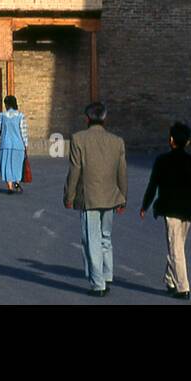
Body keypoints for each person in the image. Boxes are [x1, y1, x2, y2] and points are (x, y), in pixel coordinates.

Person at [63, 102, 127, 297]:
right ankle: (107, 275)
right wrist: (122, 197)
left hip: (89, 197)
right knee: (106, 237)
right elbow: (122, 172)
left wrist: (69, 195)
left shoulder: (79, 139)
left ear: (87, 118)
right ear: (104, 118)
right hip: (111, 195)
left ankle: (98, 283)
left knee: (91, 240)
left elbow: (75, 171)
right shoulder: (117, 141)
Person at [139, 121, 191, 300]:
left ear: (171, 140)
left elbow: (152, 185)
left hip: (171, 211)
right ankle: (170, 279)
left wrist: (145, 205)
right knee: (177, 245)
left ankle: (183, 287)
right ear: (188, 142)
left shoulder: (162, 161)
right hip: (189, 211)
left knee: (176, 248)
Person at [0, 94, 29, 193]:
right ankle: (17, 182)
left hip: (5, 144)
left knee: (6, 165)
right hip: (18, 145)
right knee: (17, 164)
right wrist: (26, 144)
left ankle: (9, 186)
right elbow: (24, 132)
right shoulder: (20, 116)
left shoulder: (2, 115)